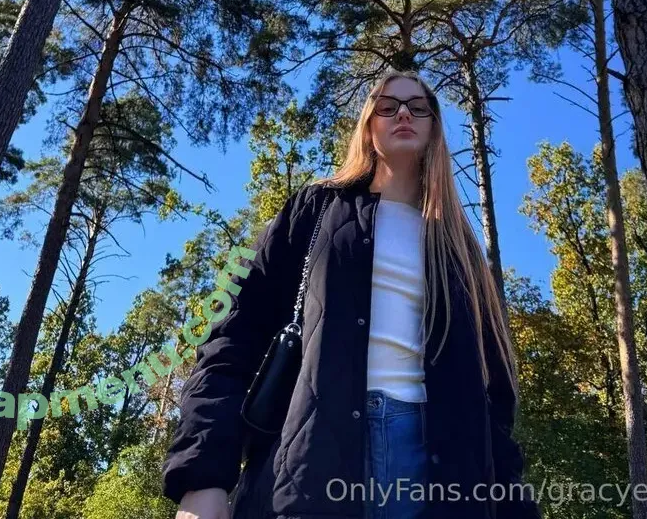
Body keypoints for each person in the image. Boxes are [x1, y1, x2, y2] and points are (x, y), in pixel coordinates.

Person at [161, 70, 541, 519]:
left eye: (418, 107)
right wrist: (202, 478)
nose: (403, 114)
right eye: (388, 106)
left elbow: (493, 395)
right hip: (312, 458)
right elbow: (232, 336)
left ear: (435, 127)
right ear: (367, 124)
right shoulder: (315, 209)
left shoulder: (458, 246)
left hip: (441, 475)